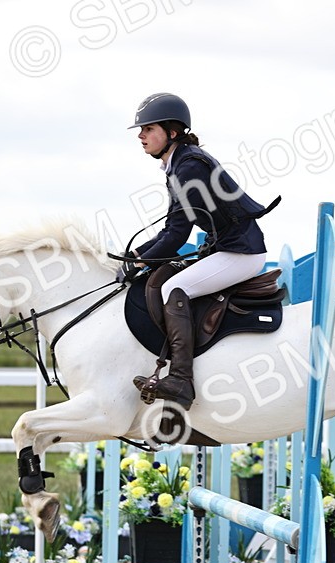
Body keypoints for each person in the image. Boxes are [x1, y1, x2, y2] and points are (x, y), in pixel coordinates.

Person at [126, 92, 275, 409]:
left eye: (149, 129)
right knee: (165, 276)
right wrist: (135, 257)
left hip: (241, 253)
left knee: (174, 286)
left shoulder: (189, 167)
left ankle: (180, 378)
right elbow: (171, 227)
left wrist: (138, 261)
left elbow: (179, 233)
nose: (141, 136)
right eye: (141, 130)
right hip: (227, 247)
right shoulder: (178, 163)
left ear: (172, 131)